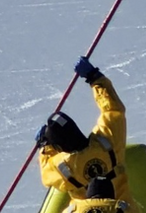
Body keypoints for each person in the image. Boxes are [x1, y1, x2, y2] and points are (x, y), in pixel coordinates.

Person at [36, 57, 129, 200]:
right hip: (123, 209)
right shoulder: (107, 141)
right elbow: (113, 111)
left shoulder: (63, 165)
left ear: (60, 147)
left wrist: (45, 146)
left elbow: (46, 174)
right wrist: (94, 78)